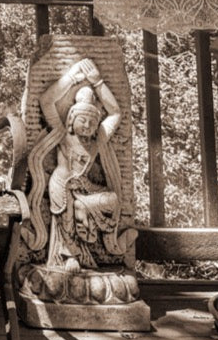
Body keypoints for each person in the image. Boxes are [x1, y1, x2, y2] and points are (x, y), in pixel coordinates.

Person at [23, 57, 136, 271]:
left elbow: (116, 113)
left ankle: (90, 227)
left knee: (111, 200)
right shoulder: (63, 135)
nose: (87, 125)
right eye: (82, 120)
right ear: (71, 121)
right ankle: (68, 255)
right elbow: (46, 101)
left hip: (84, 189)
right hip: (62, 186)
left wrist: (98, 82)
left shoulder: (98, 140)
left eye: (92, 122)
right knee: (67, 213)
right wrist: (72, 77)